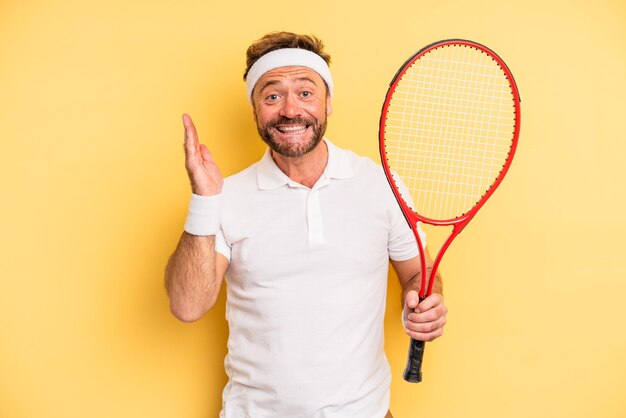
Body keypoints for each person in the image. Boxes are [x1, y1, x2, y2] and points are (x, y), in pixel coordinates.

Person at [165, 31, 448, 418]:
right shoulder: (225, 195)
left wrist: (424, 302)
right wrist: (204, 200)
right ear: (254, 110)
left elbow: (418, 272)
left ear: (328, 103)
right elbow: (187, 305)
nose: (290, 110)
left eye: (305, 92)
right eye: (272, 95)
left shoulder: (381, 186)